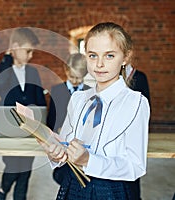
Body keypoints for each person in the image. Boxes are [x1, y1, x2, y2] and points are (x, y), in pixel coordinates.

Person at [38, 22, 150, 199]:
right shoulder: (78, 99)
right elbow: (66, 144)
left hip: (111, 191)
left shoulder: (136, 103)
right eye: (92, 55)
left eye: (110, 56)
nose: (99, 64)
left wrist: (89, 160)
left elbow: (135, 166)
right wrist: (56, 153)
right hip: (73, 186)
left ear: (126, 57)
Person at [0, 27, 46, 200]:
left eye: (32, 52)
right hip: (7, 130)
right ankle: (3, 191)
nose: (31, 55)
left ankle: (20, 197)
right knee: (13, 166)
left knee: (26, 169)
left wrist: (42, 126)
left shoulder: (33, 72)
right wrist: (8, 58)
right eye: (28, 51)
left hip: (29, 130)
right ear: (14, 47)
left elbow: (40, 101)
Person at [46, 53, 90, 185]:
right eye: (72, 77)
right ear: (66, 71)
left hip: (81, 144)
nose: (75, 81)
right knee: (63, 176)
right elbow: (51, 117)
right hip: (61, 142)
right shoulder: (57, 90)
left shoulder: (90, 92)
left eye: (79, 78)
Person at [124, 63, 151, 199]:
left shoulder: (140, 77)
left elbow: (147, 104)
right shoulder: (112, 76)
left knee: (133, 165)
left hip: (134, 128)